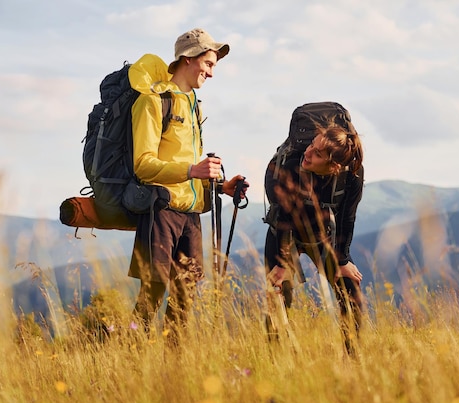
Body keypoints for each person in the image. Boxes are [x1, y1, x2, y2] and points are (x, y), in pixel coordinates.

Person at [127, 28, 248, 343]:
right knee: (152, 292)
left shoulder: (194, 104)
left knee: (185, 298)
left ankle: (173, 368)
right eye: (208, 64)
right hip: (161, 209)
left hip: (191, 214)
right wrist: (193, 169)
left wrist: (221, 187)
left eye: (213, 66)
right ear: (187, 59)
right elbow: (143, 165)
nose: (211, 72)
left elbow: (191, 167)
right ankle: (126, 352)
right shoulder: (153, 102)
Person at [264, 124, 364, 354]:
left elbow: (347, 217)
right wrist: (281, 264)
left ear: (334, 167)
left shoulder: (352, 176)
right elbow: (282, 216)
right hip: (285, 233)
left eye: (317, 153)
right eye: (312, 144)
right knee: (278, 294)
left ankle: (353, 359)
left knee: (351, 293)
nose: (308, 152)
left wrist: (343, 259)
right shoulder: (288, 165)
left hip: (322, 235)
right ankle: (278, 360)